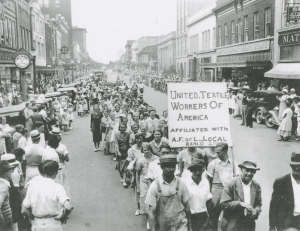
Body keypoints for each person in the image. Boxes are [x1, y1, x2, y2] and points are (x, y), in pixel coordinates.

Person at [22, 160, 73, 231]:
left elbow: (24, 210)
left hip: (37, 224)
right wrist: (63, 216)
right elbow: (68, 207)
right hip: (53, 223)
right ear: (56, 172)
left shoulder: (33, 186)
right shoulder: (57, 187)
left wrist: (34, 219)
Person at [146, 154, 192, 231]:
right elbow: (151, 213)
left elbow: (187, 207)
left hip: (180, 223)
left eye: (173, 166)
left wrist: (190, 227)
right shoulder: (155, 186)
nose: (171, 169)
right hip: (162, 225)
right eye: (168, 166)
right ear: (162, 167)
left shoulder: (181, 183)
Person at [220, 159, 262, 231]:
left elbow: (258, 204)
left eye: (252, 171)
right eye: (247, 170)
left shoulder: (256, 186)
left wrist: (256, 211)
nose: (249, 173)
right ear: (241, 170)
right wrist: (241, 204)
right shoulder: (231, 183)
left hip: (249, 225)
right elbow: (223, 204)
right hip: (232, 224)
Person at [206, 142, 240, 231]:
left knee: (229, 216)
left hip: (229, 193)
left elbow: (237, 180)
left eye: (219, 152)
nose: (217, 154)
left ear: (225, 151)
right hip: (216, 192)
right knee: (214, 216)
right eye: (216, 152)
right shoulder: (212, 164)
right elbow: (208, 181)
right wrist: (209, 194)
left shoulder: (233, 163)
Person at [269, 152, 300, 231]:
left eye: (299, 166)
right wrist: (272, 226)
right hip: (286, 222)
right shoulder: (281, 182)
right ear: (290, 166)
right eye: (294, 166)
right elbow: (274, 206)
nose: (296, 168)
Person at [185, 159, 212, 231]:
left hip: (203, 216)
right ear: (191, 170)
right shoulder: (185, 183)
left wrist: (209, 218)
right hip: (190, 216)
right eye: (194, 170)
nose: (197, 173)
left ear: (203, 171)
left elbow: (208, 200)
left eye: (199, 170)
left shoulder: (205, 182)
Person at [0, 160, 15, 231]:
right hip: (6, 219)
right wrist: (2, 219)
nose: (12, 172)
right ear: (5, 173)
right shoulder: (4, 187)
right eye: (10, 170)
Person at [114, 123, 130, 187]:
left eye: (124, 127)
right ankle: (121, 177)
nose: (122, 129)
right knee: (119, 166)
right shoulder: (116, 134)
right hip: (119, 151)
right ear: (119, 128)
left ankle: (124, 180)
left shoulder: (128, 134)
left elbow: (129, 143)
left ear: (126, 128)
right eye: (121, 127)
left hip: (126, 151)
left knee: (125, 167)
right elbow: (116, 144)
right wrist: (118, 152)